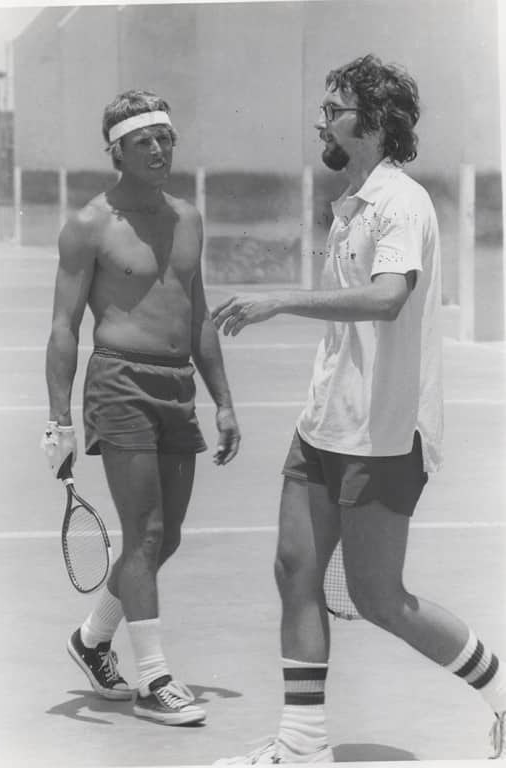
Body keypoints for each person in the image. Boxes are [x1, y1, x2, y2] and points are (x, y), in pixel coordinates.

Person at [212, 54, 505, 762]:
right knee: (294, 569)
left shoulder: (400, 202)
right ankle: (301, 742)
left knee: (380, 599)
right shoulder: (351, 204)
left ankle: (501, 692)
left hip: (384, 433)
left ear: (372, 123)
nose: (322, 120)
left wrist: (281, 301)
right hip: (323, 425)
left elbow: (387, 297)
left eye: (334, 109)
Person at [41, 89, 240, 726]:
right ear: (118, 152)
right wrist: (58, 419)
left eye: (165, 138)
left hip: (176, 386)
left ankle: (92, 639)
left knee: (164, 538)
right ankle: (155, 681)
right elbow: (64, 327)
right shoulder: (89, 225)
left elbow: (199, 315)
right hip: (118, 383)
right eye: (143, 142)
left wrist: (224, 401)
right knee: (146, 533)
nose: (158, 150)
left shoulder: (189, 218)